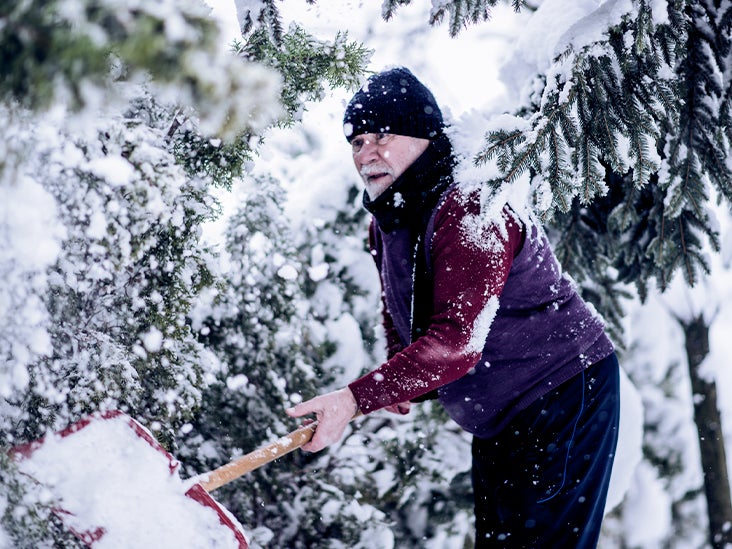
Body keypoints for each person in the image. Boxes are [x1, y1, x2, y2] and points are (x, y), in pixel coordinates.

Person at [286, 66, 620, 548]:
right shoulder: (389, 218)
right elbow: (399, 304)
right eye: (356, 142)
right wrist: (393, 379)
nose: (367, 152)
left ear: (423, 137)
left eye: (382, 134)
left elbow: (458, 340)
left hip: (562, 392)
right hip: (502, 413)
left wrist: (357, 397)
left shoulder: (470, 206)